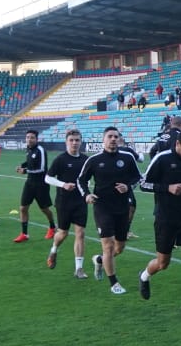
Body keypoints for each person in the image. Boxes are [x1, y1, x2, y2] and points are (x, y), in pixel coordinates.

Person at [138, 128, 181, 316]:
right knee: (163, 264)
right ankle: (144, 276)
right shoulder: (162, 158)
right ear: (177, 144)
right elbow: (143, 184)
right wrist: (167, 188)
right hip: (165, 218)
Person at [78, 125, 142, 295]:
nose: (113, 139)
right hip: (102, 207)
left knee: (119, 248)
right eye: (110, 136)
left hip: (122, 207)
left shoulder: (127, 158)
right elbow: (81, 180)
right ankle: (114, 283)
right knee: (108, 246)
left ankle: (99, 260)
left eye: (116, 136)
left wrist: (127, 187)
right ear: (103, 140)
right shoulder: (94, 160)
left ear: (119, 139)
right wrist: (86, 195)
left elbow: (138, 178)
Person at [45, 128, 90, 278]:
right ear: (66, 142)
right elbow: (48, 178)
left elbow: (88, 178)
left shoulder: (85, 160)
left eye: (77, 140)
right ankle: (54, 249)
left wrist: (87, 189)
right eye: (71, 140)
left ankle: (79, 269)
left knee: (80, 233)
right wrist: (63, 184)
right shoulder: (60, 159)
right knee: (63, 233)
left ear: (81, 142)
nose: (74, 143)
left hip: (80, 201)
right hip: (64, 202)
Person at [13, 129, 57, 243]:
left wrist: (25, 170)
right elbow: (29, 162)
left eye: (32, 137)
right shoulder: (29, 149)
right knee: (23, 208)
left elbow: (42, 169)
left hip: (41, 184)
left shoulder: (40, 150)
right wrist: (22, 165)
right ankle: (24, 234)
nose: (29, 139)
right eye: (27, 137)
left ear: (37, 139)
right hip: (29, 183)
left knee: (44, 209)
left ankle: (52, 227)